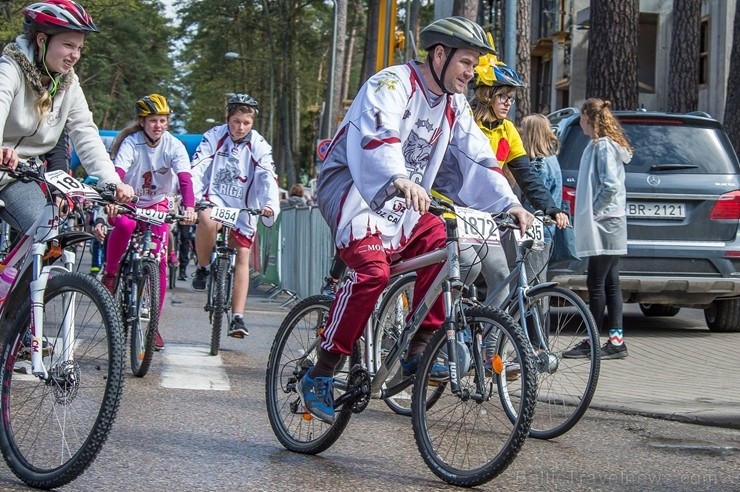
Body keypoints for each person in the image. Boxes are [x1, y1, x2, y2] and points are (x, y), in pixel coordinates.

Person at [298, 16, 533, 424]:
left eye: (475, 64)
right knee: (371, 273)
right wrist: (398, 176)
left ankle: (419, 346)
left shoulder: (455, 104)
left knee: (447, 244)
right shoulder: (391, 83)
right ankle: (322, 370)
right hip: (356, 190)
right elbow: (379, 136)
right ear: (439, 55)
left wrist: (508, 204)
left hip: (406, 200)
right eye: (466, 62)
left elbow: (477, 157)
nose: (472, 72)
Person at [0, 0, 134, 235]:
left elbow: (85, 133)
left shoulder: (69, 84)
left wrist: (112, 182)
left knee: (45, 232)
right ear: (42, 40)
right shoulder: (10, 69)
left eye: (79, 48)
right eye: (68, 45)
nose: (75, 55)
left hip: (16, 177)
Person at [461, 47, 567, 309]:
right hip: (455, 211)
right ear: (486, 96)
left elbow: (526, 174)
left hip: (485, 218)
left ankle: (488, 345)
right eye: (503, 96)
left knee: (499, 275)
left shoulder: (508, 130)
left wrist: (550, 207)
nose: (509, 103)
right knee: (467, 271)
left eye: (511, 97)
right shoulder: (465, 123)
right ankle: (440, 334)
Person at [96, 94, 196, 350]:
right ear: (143, 122)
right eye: (153, 120)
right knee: (125, 225)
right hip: (129, 200)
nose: (158, 125)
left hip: (158, 203)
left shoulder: (174, 145)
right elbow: (118, 172)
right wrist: (114, 195)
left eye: (162, 120)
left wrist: (189, 207)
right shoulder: (131, 142)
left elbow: (185, 179)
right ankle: (110, 273)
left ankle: (153, 325)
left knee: (160, 258)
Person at [190, 93, 280, 339]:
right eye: (236, 121)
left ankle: (238, 317)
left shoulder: (259, 145)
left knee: (242, 254)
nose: (240, 127)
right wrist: (192, 198)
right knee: (206, 220)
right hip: (216, 199)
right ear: (228, 118)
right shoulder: (214, 136)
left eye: (246, 123)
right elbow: (198, 166)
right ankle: (203, 266)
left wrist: (269, 204)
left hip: (243, 205)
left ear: (252, 123)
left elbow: (266, 175)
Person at [564, 98, 631, 360]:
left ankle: (593, 340)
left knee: (596, 282)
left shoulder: (602, 146)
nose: (580, 122)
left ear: (588, 119)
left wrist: (593, 210)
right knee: (611, 283)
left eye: (581, 117)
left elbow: (610, 185)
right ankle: (615, 341)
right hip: (612, 221)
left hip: (605, 222)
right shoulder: (607, 145)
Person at [518, 113, 568, 282]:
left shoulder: (539, 164)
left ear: (531, 135)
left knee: (531, 284)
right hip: (547, 232)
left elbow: (534, 200)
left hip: (535, 231)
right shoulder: (552, 160)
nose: (520, 136)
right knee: (539, 281)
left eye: (523, 132)